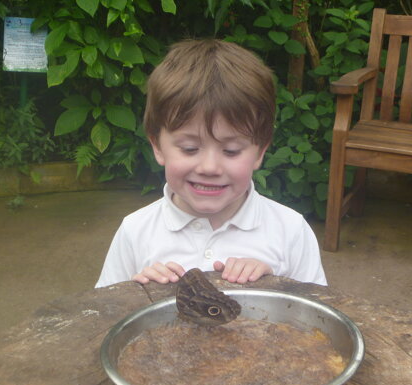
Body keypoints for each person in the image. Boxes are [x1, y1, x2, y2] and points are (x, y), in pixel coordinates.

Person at [95, 39, 326, 288]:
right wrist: (136, 294)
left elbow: (317, 308)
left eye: (231, 151)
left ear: (260, 152)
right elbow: (104, 308)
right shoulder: (135, 232)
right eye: (190, 148)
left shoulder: (290, 231)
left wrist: (276, 286)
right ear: (158, 147)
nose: (209, 168)